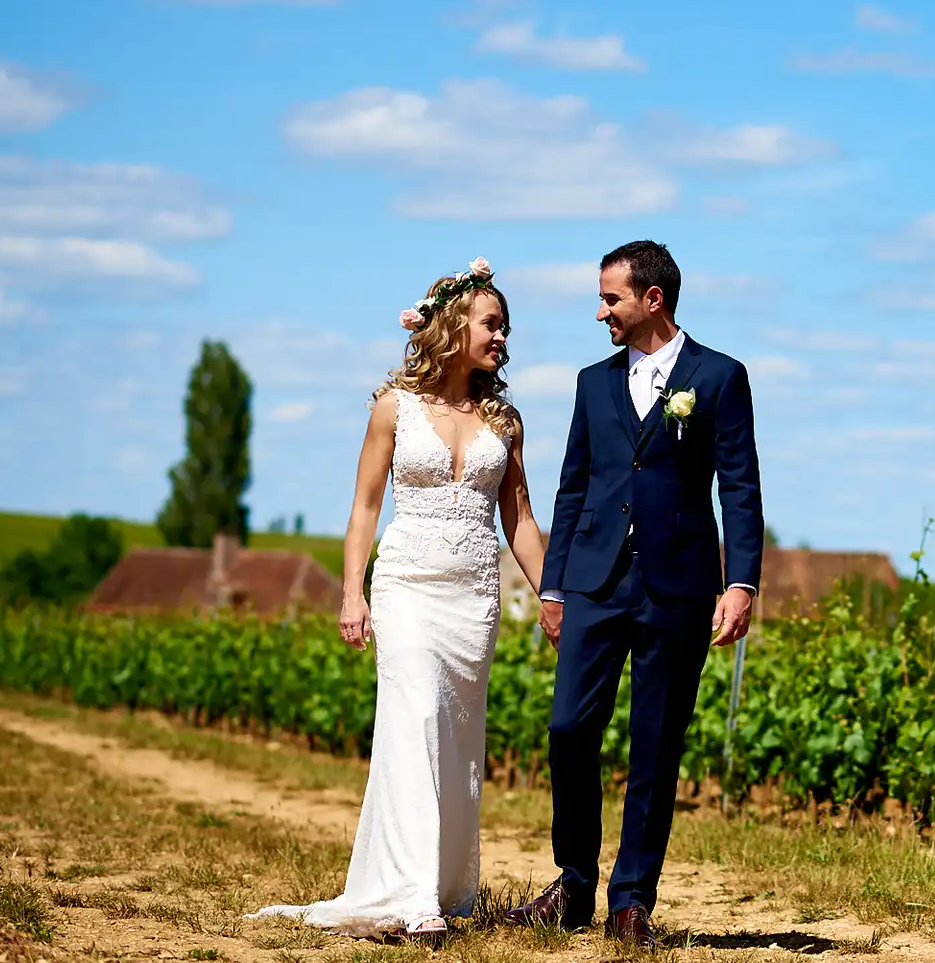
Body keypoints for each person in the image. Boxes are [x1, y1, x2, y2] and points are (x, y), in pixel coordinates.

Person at [252, 258, 547, 941]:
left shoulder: (505, 420)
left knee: (457, 742)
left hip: (474, 595)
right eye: (492, 324)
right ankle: (415, 900)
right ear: (453, 325)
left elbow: (521, 520)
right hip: (407, 586)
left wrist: (553, 592)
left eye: (506, 327)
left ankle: (444, 885)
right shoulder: (394, 406)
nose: (503, 337)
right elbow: (364, 507)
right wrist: (350, 592)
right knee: (414, 721)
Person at [505, 240, 762, 949]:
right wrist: (554, 583)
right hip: (592, 582)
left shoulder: (720, 377)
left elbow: (739, 487)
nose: (601, 312)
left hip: (679, 588)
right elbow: (572, 483)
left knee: (655, 744)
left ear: (653, 299)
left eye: (611, 298)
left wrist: (740, 582)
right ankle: (574, 885)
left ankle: (631, 902)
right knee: (567, 728)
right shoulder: (592, 383)